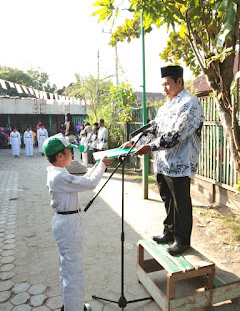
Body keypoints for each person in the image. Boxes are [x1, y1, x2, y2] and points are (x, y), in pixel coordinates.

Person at [121, 65, 204, 256]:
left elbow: (177, 135)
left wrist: (149, 147)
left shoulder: (190, 104)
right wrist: (134, 142)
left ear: (179, 82)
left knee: (180, 202)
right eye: (162, 85)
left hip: (180, 163)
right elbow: (153, 129)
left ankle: (182, 240)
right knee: (167, 198)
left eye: (167, 84)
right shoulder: (166, 106)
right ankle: (169, 232)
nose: (164, 89)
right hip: (163, 162)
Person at [42, 133, 112, 311]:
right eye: (69, 152)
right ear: (60, 156)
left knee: (67, 268)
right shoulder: (59, 176)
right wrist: (102, 165)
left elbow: (82, 180)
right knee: (73, 270)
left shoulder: (57, 171)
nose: (72, 155)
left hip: (66, 221)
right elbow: (89, 183)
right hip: (68, 223)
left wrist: (96, 166)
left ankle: (72, 306)